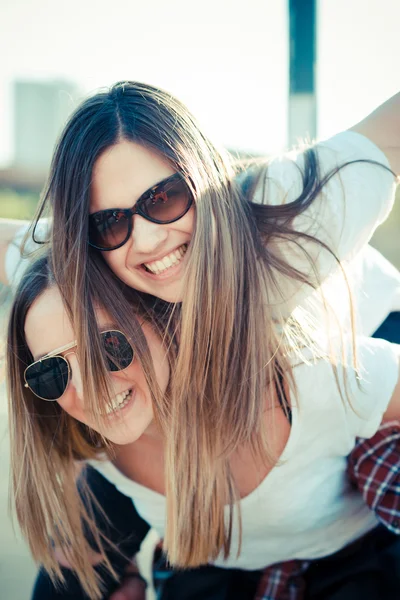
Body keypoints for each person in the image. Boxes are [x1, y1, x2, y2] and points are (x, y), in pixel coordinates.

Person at [2, 81, 400, 599]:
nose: (146, 239)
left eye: (163, 198)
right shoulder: (74, 269)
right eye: (109, 221)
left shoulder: (293, 217)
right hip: (157, 410)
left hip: (365, 333)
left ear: (203, 181)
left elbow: (387, 132)